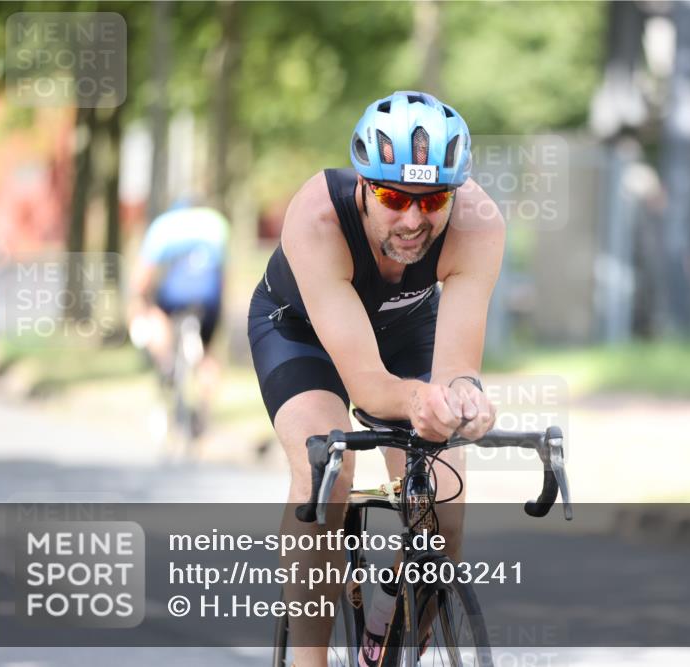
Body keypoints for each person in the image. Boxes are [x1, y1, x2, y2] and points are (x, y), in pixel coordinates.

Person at [247, 90, 504, 667]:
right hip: (302, 332)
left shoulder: (478, 224)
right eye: (393, 196)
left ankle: (387, 635)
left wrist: (466, 401)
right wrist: (425, 399)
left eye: (433, 198)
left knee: (444, 510)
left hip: (406, 327)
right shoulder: (316, 215)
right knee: (327, 475)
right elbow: (368, 388)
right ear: (363, 184)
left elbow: (459, 368)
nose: (414, 220)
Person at [129, 197, 230, 440]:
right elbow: (225, 273)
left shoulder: (164, 226)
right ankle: (204, 414)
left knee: (155, 313)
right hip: (209, 295)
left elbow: (141, 278)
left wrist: (138, 306)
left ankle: (166, 363)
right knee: (207, 353)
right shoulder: (216, 223)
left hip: (175, 293)